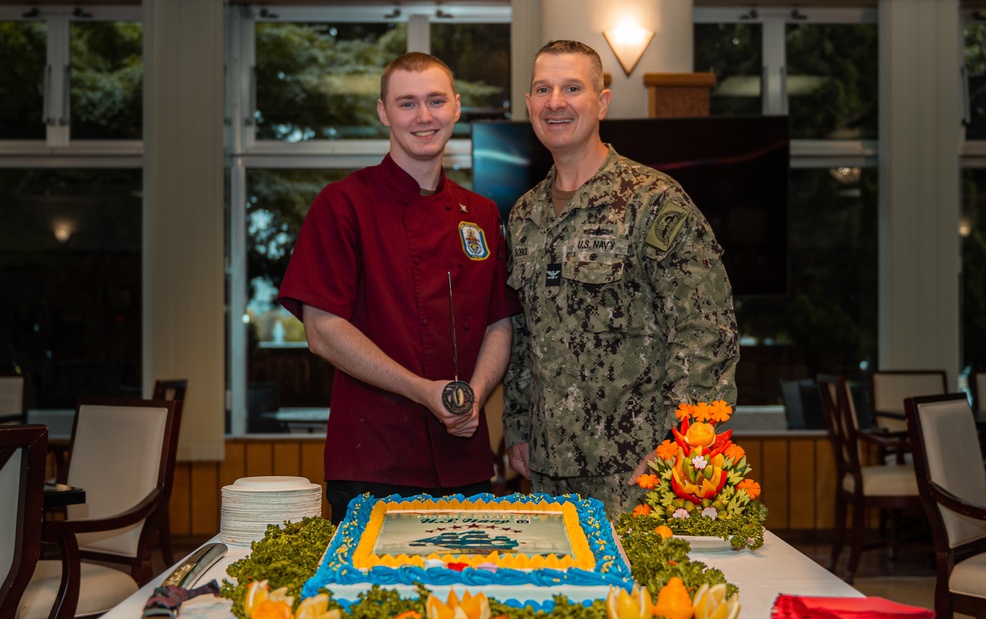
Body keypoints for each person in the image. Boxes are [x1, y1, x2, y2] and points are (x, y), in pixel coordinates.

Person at [278, 52, 520, 525]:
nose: (424, 116)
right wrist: (423, 391)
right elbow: (322, 330)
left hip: (465, 461)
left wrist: (473, 392)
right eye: (407, 104)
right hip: (374, 461)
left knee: (469, 594)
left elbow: (500, 322)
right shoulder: (343, 204)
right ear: (384, 113)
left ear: (456, 106)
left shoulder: (482, 214)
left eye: (435, 101)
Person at [502, 40, 739, 520]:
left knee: (651, 596)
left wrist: (682, 446)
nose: (555, 102)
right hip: (549, 473)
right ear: (529, 106)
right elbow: (524, 333)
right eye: (542, 89)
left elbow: (706, 330)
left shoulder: (653, 201)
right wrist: (518, 427)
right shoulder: (525, 215)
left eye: (572, 88)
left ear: (602, 102)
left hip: (639, 472)